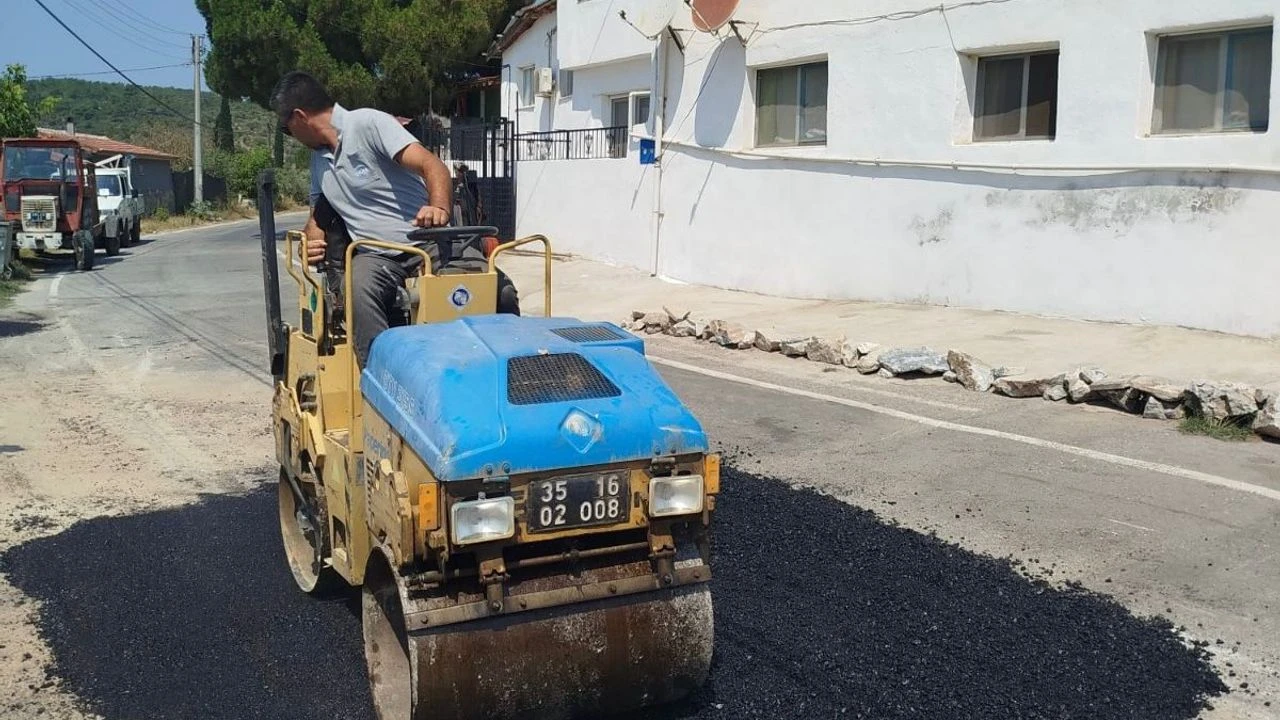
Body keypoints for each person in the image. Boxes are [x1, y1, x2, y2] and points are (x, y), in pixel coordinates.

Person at [270, 71, 518, 367]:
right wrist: (308, 243)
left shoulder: (367, 124)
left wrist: (438, 208)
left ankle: (511, 368)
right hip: (375, 255)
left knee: (498, 291)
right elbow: (317, 217)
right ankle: (380, 378)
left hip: (428, 243)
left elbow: (432, 165)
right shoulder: (318, 162)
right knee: (358, 291)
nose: (290, 135)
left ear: (299, 117)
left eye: (286, 128)